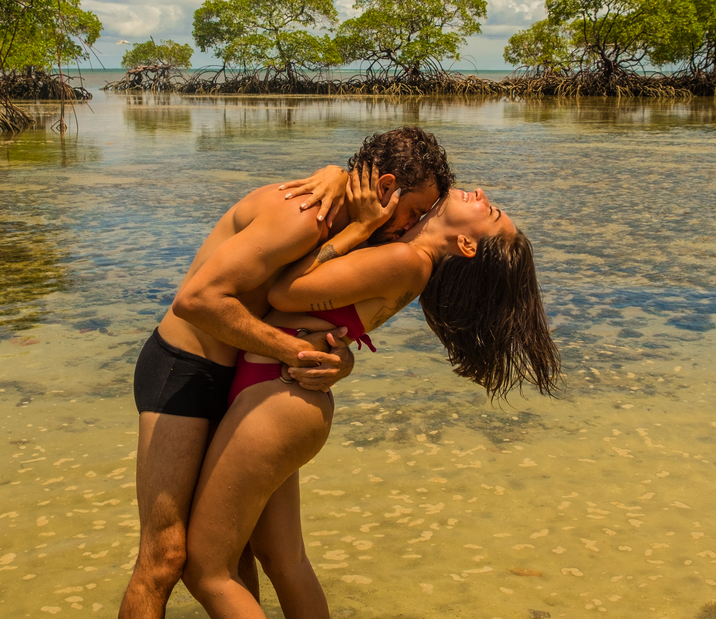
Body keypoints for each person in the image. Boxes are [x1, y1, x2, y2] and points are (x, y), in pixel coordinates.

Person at [180, 166, 560, 619]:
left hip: (277, 395)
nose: (481, 192)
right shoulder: (406, 258)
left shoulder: (407, 261)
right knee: (283, 560)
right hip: (281, 392)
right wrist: (338, 178)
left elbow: (285, 292)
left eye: (490, 209)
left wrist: (358, 227)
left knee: (207, 572)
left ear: (468, 244)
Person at [119, 127, 455, 619]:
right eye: (412, 213)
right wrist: (295, 353)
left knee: (233, 555)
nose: (410, 228)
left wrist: (340, 359)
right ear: (384, 188)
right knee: (164, 556)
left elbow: (321, 316)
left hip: (237, 376)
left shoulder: (350, 230)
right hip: (185, 370)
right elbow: (197, 301)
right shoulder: (303, 216)